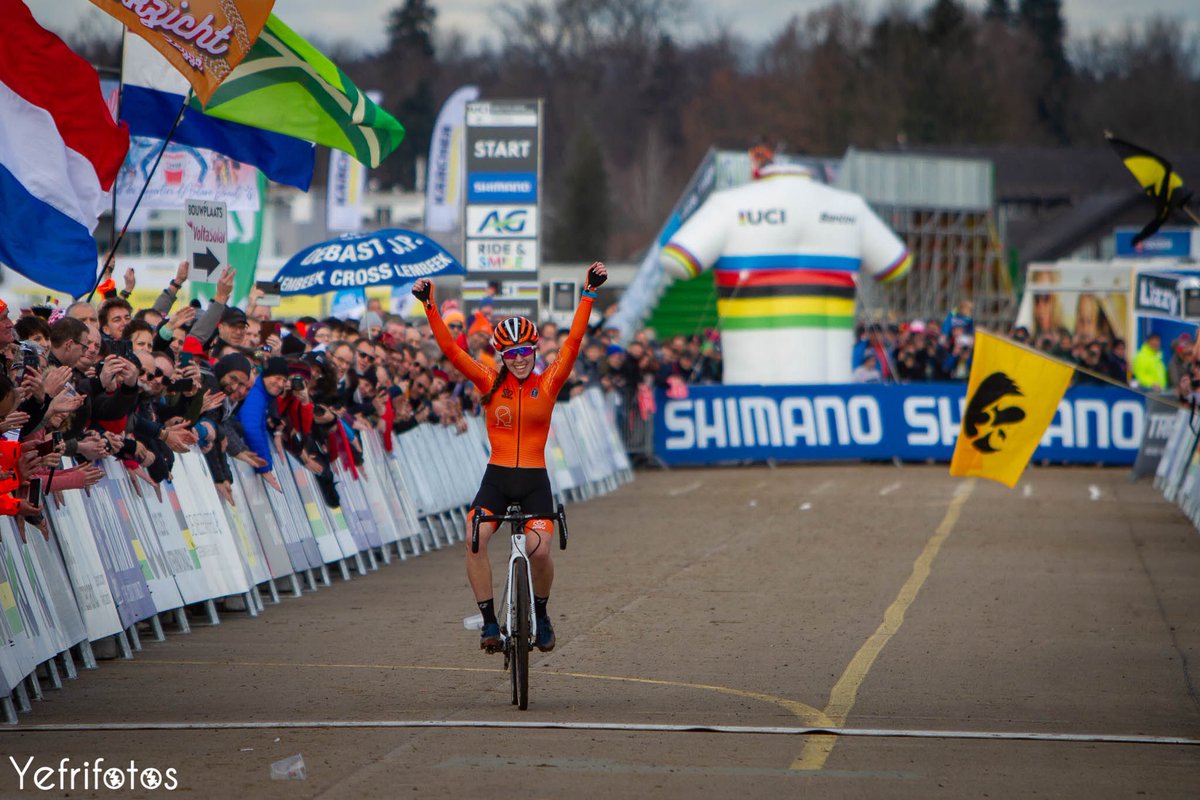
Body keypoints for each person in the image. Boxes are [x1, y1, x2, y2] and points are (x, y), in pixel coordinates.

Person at [411, 262, 608, 654]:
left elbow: (572, 342)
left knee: (539, 549)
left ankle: (543, 612)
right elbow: (451, 350)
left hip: (535, 480)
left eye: (525, 351)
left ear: (534, 351)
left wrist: (588, 292)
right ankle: (488, 622)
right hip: (497, 479)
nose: (519, 358)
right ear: (501, 354)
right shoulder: (488, 381)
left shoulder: (549, 382)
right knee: (475, 539)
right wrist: (430, 305)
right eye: (511, 352)